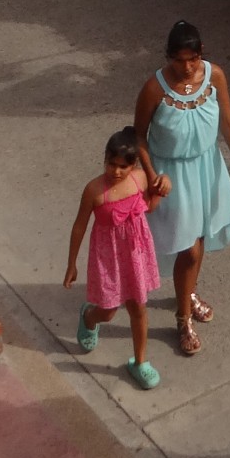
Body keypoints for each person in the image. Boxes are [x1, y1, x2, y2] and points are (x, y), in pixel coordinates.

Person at [134, 20, 230, 359]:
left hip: (207, 169)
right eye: (179, 60)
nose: (186, 67)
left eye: (193, 59)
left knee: (199, 239)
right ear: (168, 56)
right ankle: (183, 320)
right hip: (172, 178)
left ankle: (188, 293)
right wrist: (152, 175)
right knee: (190, 249)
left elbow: (228, 124)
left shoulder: (215, 77)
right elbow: (138, 137)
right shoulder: (153, 89)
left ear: (201, 54)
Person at [66, 125, 166, 391]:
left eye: (124, 166)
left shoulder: (140, 179)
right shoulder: (94, 191)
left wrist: (162, 186)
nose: (117, 171)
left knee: (138, 308)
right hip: (108, 258)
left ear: (133, 166)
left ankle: (140, 362)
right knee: (109, 312)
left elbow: (150, 207)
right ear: (105, 159)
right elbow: (79, 226)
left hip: (135, 255)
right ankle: (90, 317)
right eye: (112, 164)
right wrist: (71, 263)